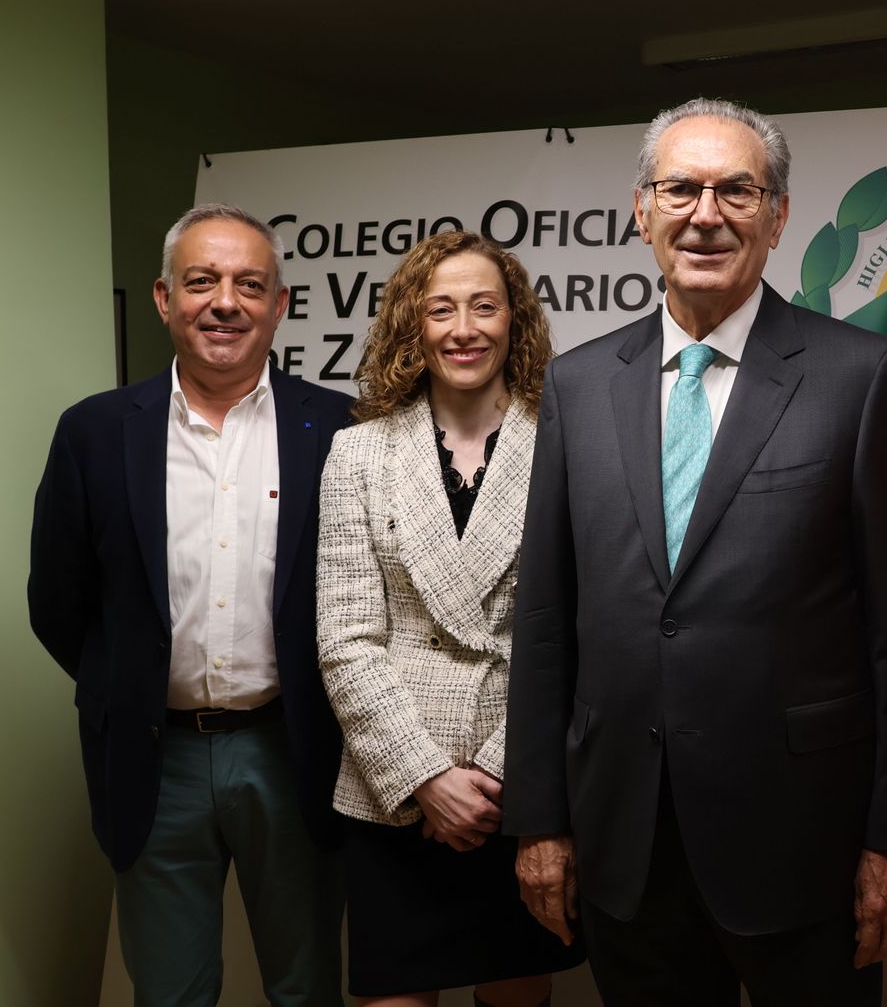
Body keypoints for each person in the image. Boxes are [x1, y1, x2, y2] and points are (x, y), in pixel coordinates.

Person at [501, 97, 887, 1007]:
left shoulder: (861, 377)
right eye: (681, 189)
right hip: (625, 836)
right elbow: (543, 620)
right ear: (640, 210)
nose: (706, 214)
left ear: (778, 217)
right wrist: (538, 820)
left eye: (738, 190)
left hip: (804, 843)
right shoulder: (576, 385)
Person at [29, 204, 350, 1005]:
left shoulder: (341, 428)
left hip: (293, 748)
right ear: (164, 299)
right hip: (153, 755)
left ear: (280, 305)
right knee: (170, 992)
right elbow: (57, 600)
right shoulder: (95, 432)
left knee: (306, 986)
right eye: (201, 281)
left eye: (249, 284)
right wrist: (130, 679)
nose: (225, 302)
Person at [316, 231, 585, 1007]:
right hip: (394, 794)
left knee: (514, 993)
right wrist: (427, 777)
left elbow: (577, 632)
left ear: (515, 322)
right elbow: (345, 640)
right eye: (442, 309)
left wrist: (495, 775)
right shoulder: (357, 455)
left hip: (516, 792)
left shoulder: (568, 445)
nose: (464, 327)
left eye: (484, 306)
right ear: (414, 325)